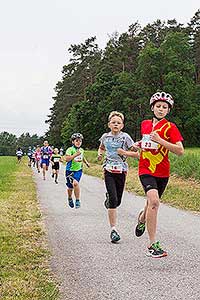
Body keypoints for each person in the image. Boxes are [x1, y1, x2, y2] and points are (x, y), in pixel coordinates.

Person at [121, 92, 184, 258]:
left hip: (163, 172)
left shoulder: (171, 127)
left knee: (150, 205)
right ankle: (152, 245)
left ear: (168, 110)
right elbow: (146, 143)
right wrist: (138, 144)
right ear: (152, 108)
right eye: (158, 106)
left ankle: (142, 219)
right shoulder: (145, 124)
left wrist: (161, 141)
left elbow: (180, 150)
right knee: (154, 202)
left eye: (164, 107)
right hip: (146, 169)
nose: (161, 109)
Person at [98, 111, 139, 243]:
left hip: (121, 170)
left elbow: (136, 153)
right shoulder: (105, 137)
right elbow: (101, 147)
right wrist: (99, 154)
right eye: (113, 122)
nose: (116, 124)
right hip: (108, 169)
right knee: (114, 200)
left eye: (118, 123)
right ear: (109, 124)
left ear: (122, 125)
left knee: (118, 201)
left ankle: (109, 199)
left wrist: (124, 152)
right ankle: (113, 230)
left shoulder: (125, 137)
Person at [65, 133, 90, 209]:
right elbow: (67, 159)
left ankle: (77, 200)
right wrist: (75, 155)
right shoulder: (70, 149)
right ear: (73, 142)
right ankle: (69, 198)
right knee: (70, 187)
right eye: (77, 141)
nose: (78, 142)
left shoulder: (81, 150)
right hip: (69, 171)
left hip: (78, 170)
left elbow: (82, 157)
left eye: (80, 141)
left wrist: (86, 163)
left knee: (75, 183)